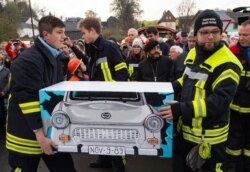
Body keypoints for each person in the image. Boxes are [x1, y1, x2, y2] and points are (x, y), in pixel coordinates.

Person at [158, 9, 243, 172]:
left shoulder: (228, 62)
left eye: (215, 32)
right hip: (186, 136)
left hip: (210, 143)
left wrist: (181, 109)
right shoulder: (194, 53)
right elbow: (185, 80)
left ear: (221, 33)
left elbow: (220, 101)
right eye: (204, 32)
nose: (210, 36)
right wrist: (163, 89)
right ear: (196, 35)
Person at [6, 16, 76, 172]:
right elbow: (28, 100)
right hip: (26, 135)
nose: (64, 37)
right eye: (60, 32)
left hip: (50, 131)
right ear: (46, 35)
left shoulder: (53, 57)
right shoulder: (28, 60)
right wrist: (40, 135)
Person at [77, 17, 128, 172]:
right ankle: (104, 160)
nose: (83, 36)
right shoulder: (93, 48)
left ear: (93, 31)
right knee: (100, 133)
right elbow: (93, 67)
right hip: (98, 99)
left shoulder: (109, 47)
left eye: (83, 32)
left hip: (112, 100)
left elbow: (122, 72)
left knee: (114, 135)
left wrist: (116, 96)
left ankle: (119, 165)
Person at [226, 19, 250, 172]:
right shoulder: (232, 52)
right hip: (234, 109)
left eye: (246, 35)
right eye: (240, 34)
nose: (242, 38)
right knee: (232, 146)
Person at [0, 54, 9, 139]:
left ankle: (3, 128)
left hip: (3, 96)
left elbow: (9, 82)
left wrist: (3, 91)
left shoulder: (6, 71)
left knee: (4, 113)